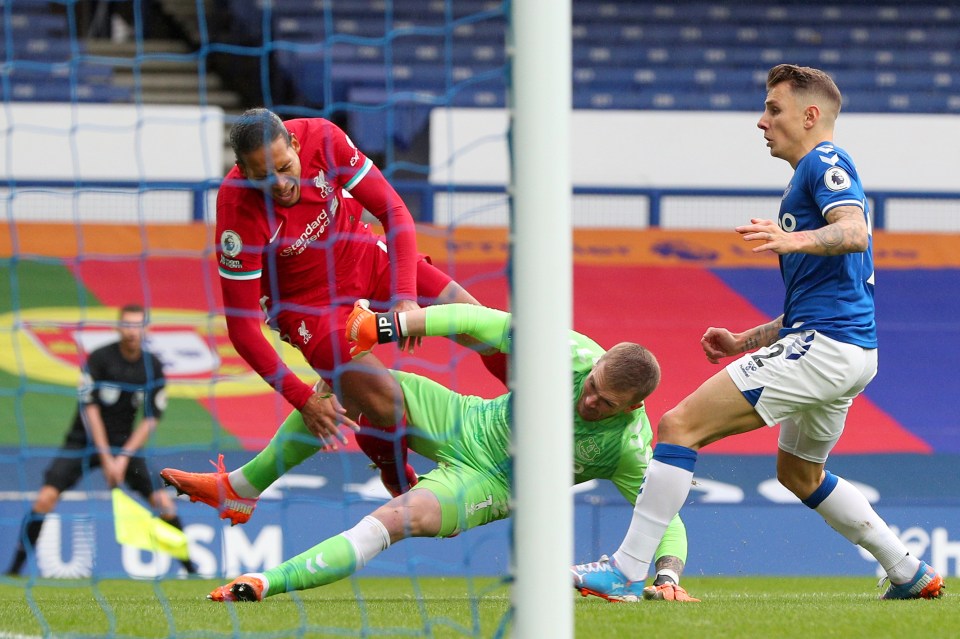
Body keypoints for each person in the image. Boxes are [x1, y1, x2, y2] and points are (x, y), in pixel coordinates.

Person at [572, 64, 945, 601]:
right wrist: (746, 341)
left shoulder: (826, 162)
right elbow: (819, 301)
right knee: (799, 473)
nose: (762, 121)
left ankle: (626, 569)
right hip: (848, 350)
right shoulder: (806, 179)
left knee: (678, 426)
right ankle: (907, 570)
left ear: (810, 115)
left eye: (774, 109)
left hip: (825, 350)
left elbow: (855, 231)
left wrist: (795, 241)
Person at [167, 301, 696, 603]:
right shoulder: (576, 354)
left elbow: (661, 514)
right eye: (592, 384)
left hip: (489, 483)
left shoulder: (628, 445)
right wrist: (385, 325)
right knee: (348, 383)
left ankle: (264, 583)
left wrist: (667, 575)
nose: (588, 397)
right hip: (464, 417)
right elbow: (475, 321)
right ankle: (241, 489)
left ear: (634, 407)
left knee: (396, 520)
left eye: (604, 402)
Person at [211, 108, 507, 498]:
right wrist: (303, 400)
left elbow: (394, 212)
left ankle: (536, 423)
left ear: (296, 145)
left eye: (285, 167)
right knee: (387, 403)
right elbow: (242, 328)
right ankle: (396, 476)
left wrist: (404, 299)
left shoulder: (325, 139)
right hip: (307, 308)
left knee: (480, 323)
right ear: (243, 171)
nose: (281, 183)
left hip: (363, 254)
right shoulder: (237, 212)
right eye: (264, 176)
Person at [6, 304, 196, 576]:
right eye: (127, 325)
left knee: (163, 502)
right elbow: (90, 409)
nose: (132, 332)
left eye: (137, 325)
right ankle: (13, 570)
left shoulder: (152, 366)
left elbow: (151, 418)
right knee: (45, 498)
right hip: (82, 442)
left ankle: (192, 570)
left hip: (125, 447)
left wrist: (122, 458)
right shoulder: (99, 359)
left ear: (146, 329)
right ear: (119, 328)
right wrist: (108, 458)